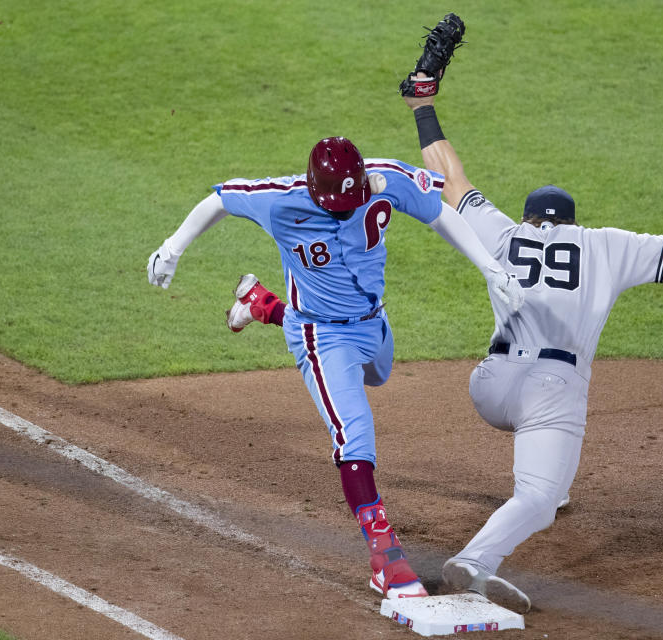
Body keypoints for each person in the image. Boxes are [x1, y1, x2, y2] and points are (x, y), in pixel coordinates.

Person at [398, 73, 663, 612]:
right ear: (573, 223)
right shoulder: (603, 246)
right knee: (538, 498)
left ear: (528, 219)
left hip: (490, 388)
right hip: (550, 391)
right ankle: (476, 560)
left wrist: (423, 108)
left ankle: (553, 472)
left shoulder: (500, 231)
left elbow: (449, 175)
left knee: (539, 431)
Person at [146, 136, 524, 599]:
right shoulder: (280, 200)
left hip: (374, 322)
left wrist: (489, 268)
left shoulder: (386, 178)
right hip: (322, 336)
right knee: (355, 435)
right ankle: (386, 559)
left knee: (379, 375)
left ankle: (261, 305)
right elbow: (219, 199)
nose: (347, 210)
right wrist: (172, 248)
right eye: (338, 205)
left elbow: (439, 212)